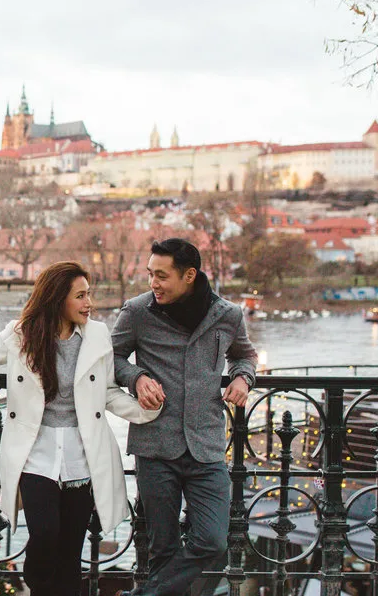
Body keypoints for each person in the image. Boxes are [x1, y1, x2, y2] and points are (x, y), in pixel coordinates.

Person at [0, 261, 161, 596]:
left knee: (71, 550)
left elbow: (108, 393)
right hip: (34, 453)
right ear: (58, 299)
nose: (89, 303)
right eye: (80, 296)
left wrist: (146, 410)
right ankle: (38, 583)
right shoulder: (21, 333)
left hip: (82, 455)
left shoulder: (97, 336)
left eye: (89, 295)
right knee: (44, 534)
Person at [111, 238, 257, 596]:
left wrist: (242, 377)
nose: (153, 283)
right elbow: (107, 360)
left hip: (206, 445)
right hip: (155, 444)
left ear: (189, 275)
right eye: (150, 274)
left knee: (213, 541)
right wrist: (137, 377)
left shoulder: (228, 314)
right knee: (163, 549)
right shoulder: (137, 312)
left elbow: (245, 355)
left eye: (161, 276)